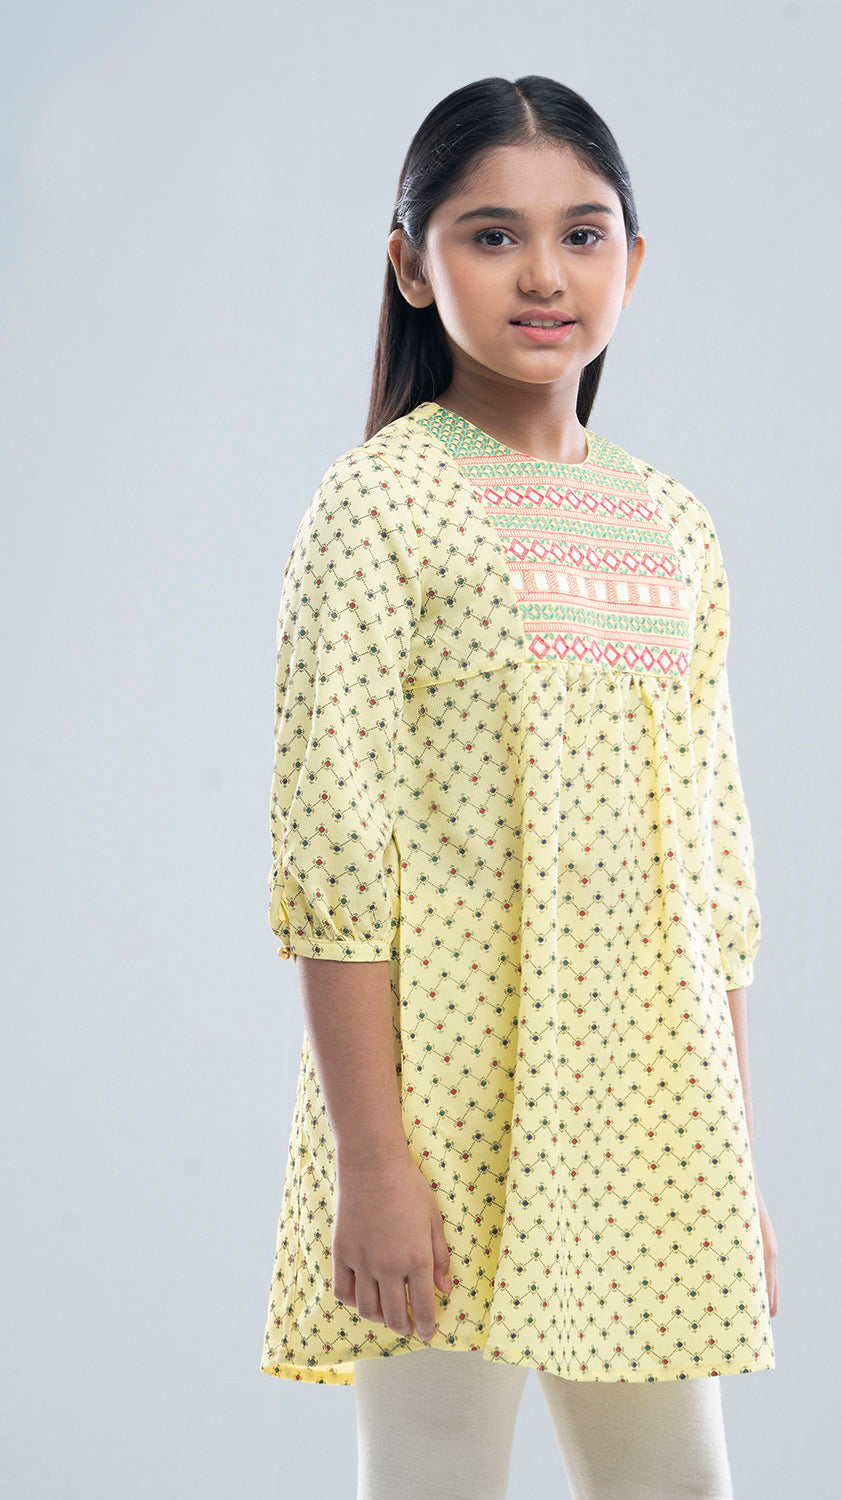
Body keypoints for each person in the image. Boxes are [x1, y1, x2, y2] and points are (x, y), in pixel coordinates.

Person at [261, 74, 779, 1500]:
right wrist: (373, 1162)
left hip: (648, 1108)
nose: (543, 274)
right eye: (491, 236)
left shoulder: (673, 525)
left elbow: (714, 876)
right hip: (441, 1105)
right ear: (410, 265)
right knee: (434, 1475)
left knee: (674, 1483)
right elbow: (333, 858)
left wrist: (729, 1163)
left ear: (631, 262)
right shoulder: (380, 503)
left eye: (581, 234)